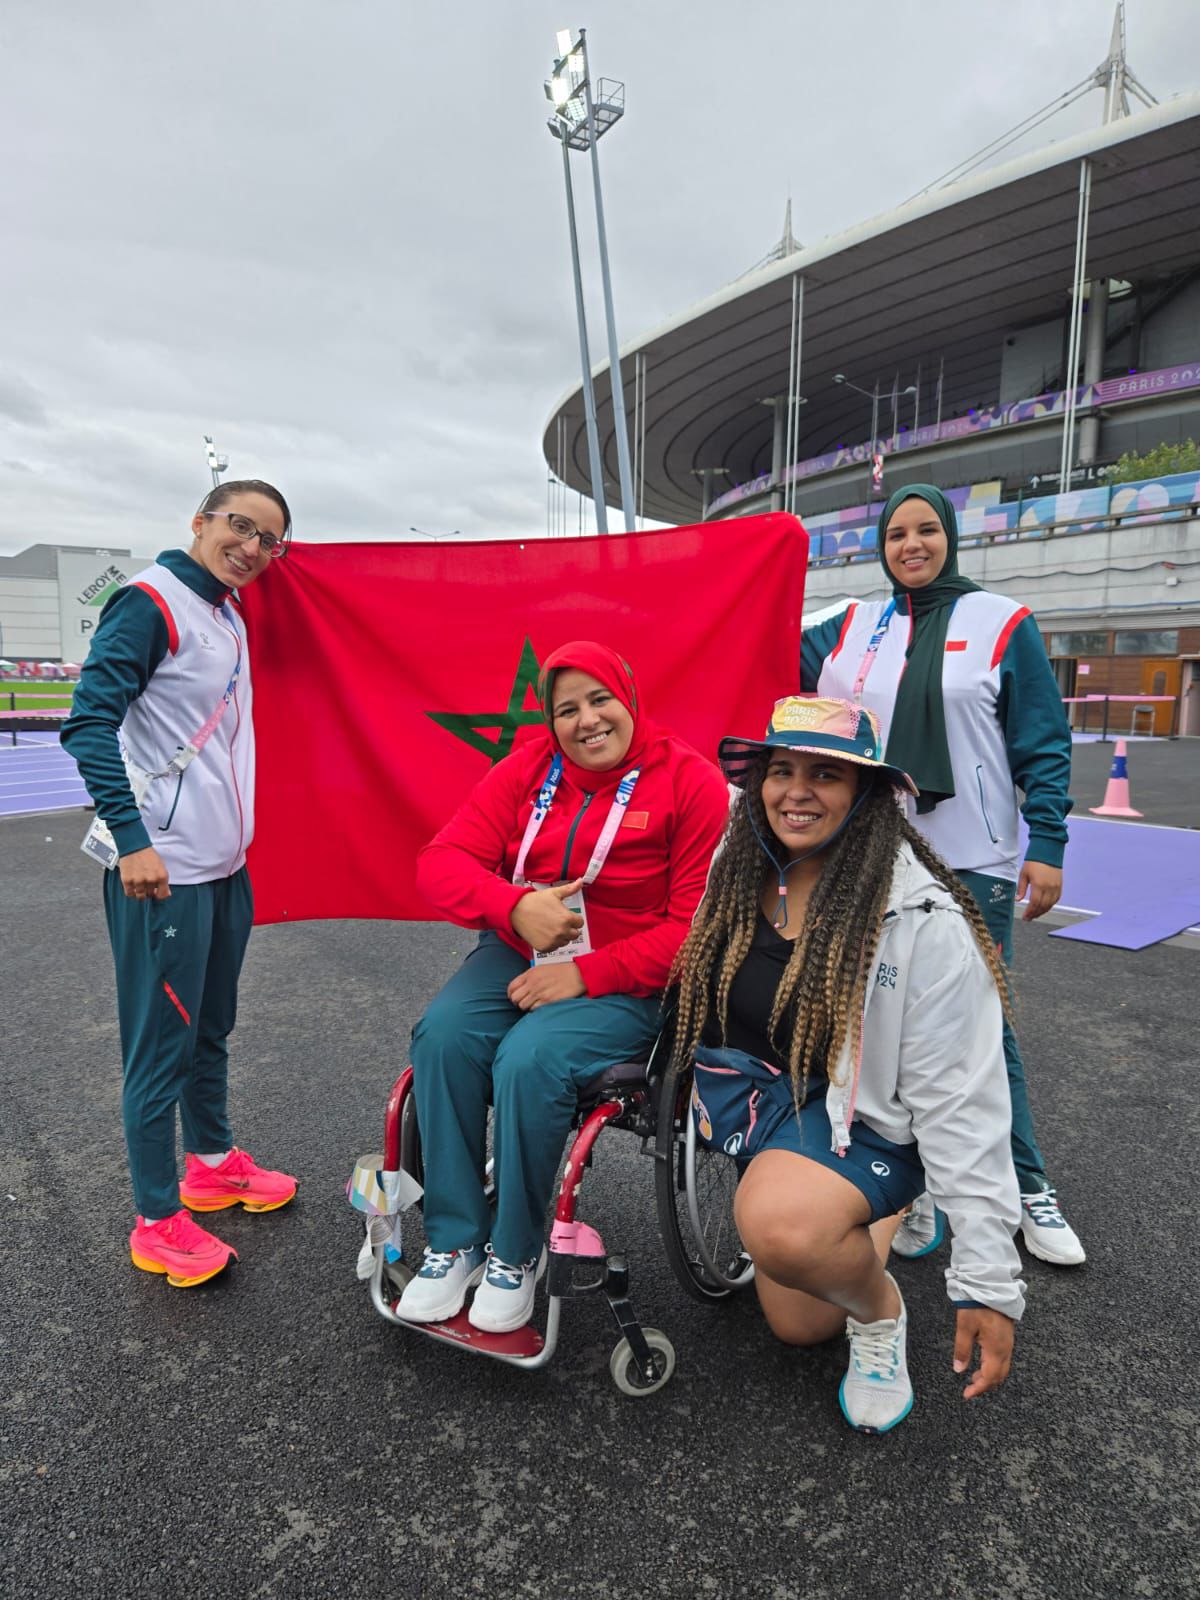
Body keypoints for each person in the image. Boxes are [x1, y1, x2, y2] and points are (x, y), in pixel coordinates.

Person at [671, 695, 1025, 1433]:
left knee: (783, 1230)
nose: (796, 792)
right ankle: (868, 1212)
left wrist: (988, 1283)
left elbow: (966, 1103)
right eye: (781, 769)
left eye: (826, 775)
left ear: (866, 793)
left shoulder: (920, 918)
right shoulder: (737, 861)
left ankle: (882, 1313)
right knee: (799, 1327)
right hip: (764, 1107)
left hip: (865, 1117)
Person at [399, 641, 730, 1334]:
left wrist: (584, 973)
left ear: (629, 697)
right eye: (566, 710)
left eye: (600, 700)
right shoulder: (528, 769)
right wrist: (511, 906)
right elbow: (440, 862)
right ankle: (456, 1238)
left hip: (633, 975)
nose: (587, 721)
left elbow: (693, 934)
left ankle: (512, 1254)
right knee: (444, 1036)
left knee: (531, 1059)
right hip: (524, 948)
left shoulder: (690, 782)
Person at [801, 484, 1083, 1267]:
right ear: (881, 547)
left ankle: (1027, 1189)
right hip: (865, 851)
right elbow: (754, 646)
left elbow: (1042, 742)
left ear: (950, 537)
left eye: (926, 530)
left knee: (980, 1031)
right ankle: (908, 1182)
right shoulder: (855, 625)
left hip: (971, 858)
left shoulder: (1001, 621)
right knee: (865, 1020)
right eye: (896, 534)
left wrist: (1048, 841)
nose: (911, 544)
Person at [62, 481, 297, 1290]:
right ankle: (158, 1219)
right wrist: (132, 841)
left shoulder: (226, 614)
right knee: (158, 1049)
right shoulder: (152, 603)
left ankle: (209, 1162)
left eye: (271, 541)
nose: (254, 548)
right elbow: (88, 718)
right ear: (200, 522)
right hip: (162, 871)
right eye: (241, 527)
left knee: (211, 1027)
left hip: (223, 868)